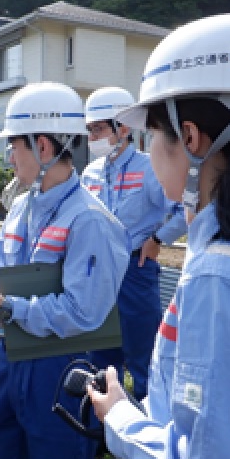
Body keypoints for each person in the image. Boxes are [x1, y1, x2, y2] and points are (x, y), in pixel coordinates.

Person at [88, 13, 230, 459]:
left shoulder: (220, 280)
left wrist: (121, 419)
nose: (148, 155)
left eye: (152, 137)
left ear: (189, 138)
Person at [0, 82, 131, 459]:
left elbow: (84, 313)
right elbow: (1, 273)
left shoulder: (91, 221)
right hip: (8, 359)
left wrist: (6, 305)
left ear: (43, 146)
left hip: (60, 370)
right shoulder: (18, 211)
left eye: (13, 147)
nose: (9, 158)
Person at [81, 86, 187, 402]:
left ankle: (148, 431)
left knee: (144, 355)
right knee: (99, 356)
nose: (92, 138)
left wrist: (157, 241)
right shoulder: (90, 174)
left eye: (98, 129)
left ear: (123, 128)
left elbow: (184, 209)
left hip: (135, 271)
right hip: (97, 273)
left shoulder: (150, 167)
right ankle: (101, 433)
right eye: (89, 131)